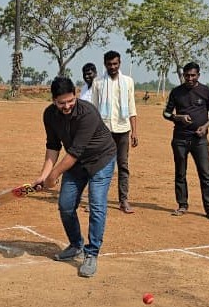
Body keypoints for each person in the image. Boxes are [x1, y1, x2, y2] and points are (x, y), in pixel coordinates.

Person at [33, 77, 116, 278]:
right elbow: (53, 147)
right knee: (66, 205)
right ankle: (76, 244)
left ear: (76, 95)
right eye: (61, 103)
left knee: (96, 204)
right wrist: (43, 176)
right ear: (53, 100)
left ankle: (92, 253)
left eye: (70, 101)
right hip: (75, 164)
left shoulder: (87, 113)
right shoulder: (50, 115)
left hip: (100, 160)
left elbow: (74, 152)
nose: (67, 106)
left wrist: (54, 175)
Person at [163, 62, 209, 221]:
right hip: (180, 139)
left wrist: (205, 126)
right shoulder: (176, 92)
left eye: (193, 75)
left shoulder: (206, 91)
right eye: (186, 75)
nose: (189, 78)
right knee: (180, 173)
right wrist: (178, 117)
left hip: (200, 140)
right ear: (183, 75)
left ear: (198, 75)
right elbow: (166, 113)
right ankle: (182, 205)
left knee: (205, 174)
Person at [90, 50, 138, 213]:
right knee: (99, 166)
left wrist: (134, 132)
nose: (112, 67)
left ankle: (123, 200)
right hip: (104, 131)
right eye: (109, 64)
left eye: (115, 64)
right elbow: (94, 109)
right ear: (105, 64)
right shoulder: (98, 83)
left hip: (123, 129)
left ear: (120, 64)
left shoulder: (128, 82)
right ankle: (96, 201)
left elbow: (132, 108)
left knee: (123, 165)